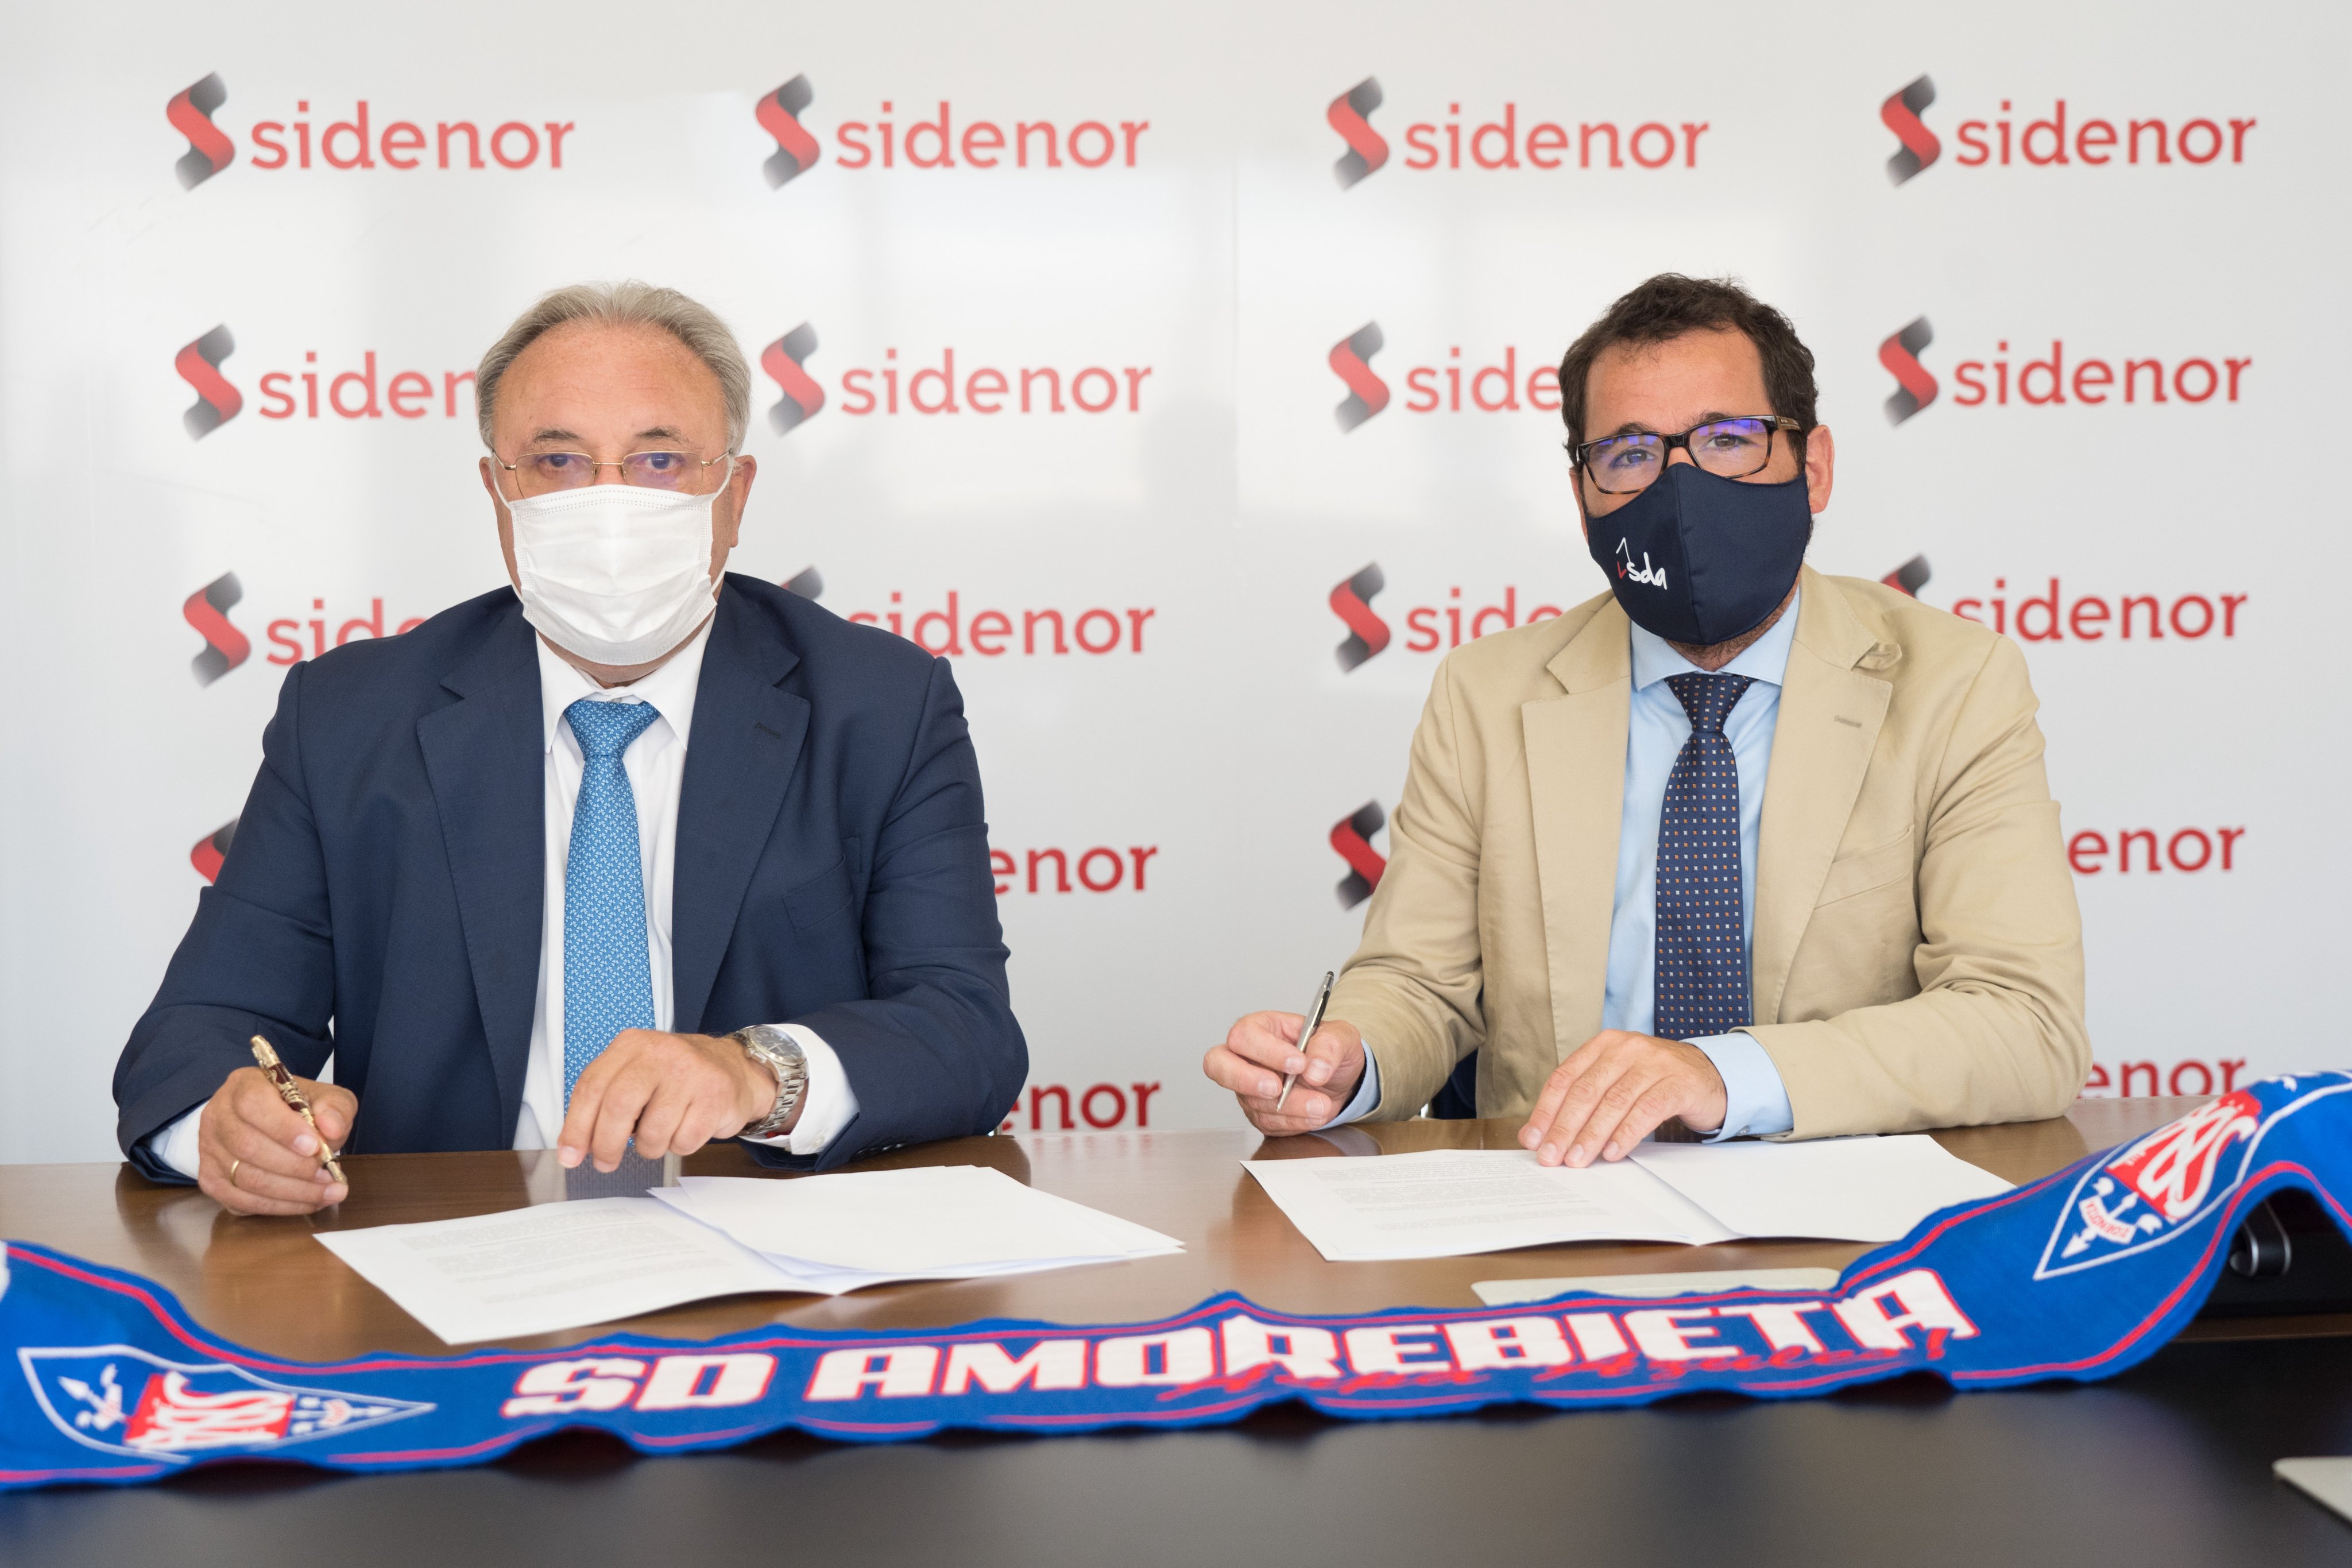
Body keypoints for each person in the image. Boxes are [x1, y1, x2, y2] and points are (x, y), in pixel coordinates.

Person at [117, 281, 1026, 1215]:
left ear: (734, 493)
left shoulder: (879, 707)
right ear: (499, 491)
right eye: (558, 461)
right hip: (451, 1245)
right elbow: (205, 1027)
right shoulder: (351, 717)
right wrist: (226, 1125)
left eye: (660, 459)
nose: (609, 502)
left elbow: (965, 1031)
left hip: (768, 1245)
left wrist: (757, 1073)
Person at [1206, 273, 2088, 1165]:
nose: (1680, 488)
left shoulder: (1955, 684)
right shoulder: (1486, 694)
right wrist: (1347, 1063)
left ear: (1813, 467)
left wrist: (1721, 1075)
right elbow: (1418, 984)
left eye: (1728, 440)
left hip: (1842, 1202)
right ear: (1582, 492)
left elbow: (2025, 1022)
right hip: (1559, 1191)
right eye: (1629, 453)